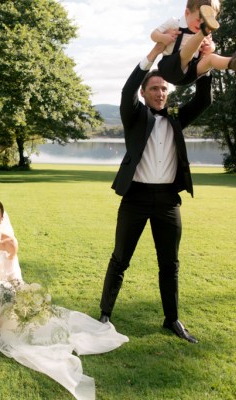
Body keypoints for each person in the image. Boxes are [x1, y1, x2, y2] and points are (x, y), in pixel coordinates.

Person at [0, 198, 128, 400]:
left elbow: (13, 273)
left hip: (9, 284)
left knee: (24, 313)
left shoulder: (9, 242)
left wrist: (21, 292)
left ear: (2, 217)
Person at [98, 42, 212, 344]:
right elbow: (126, 92)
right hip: (134, 198)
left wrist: (205, 60)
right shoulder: (134, 117)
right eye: (155, 89)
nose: (160, 93)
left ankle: (172, 319)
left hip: (167, 202)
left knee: (170, 264)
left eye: (164, 89)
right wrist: (152, 56)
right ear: (144, 93)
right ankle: (105, 314)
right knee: (120, 259)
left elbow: (203, 100)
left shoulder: (176, 120)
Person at [151, 0, 236, 86]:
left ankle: (233, 62)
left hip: (189, 73)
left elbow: (211, 46)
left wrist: (210, 48)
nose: (201, 23)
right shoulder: (174, 23)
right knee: (185, 54)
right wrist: (163, 37)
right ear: (187, 13)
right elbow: (153, 34)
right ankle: (204, 33)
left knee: (211, 59)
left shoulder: (207, 34)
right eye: (199, 20)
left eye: (206, 22)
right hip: (170, 69)